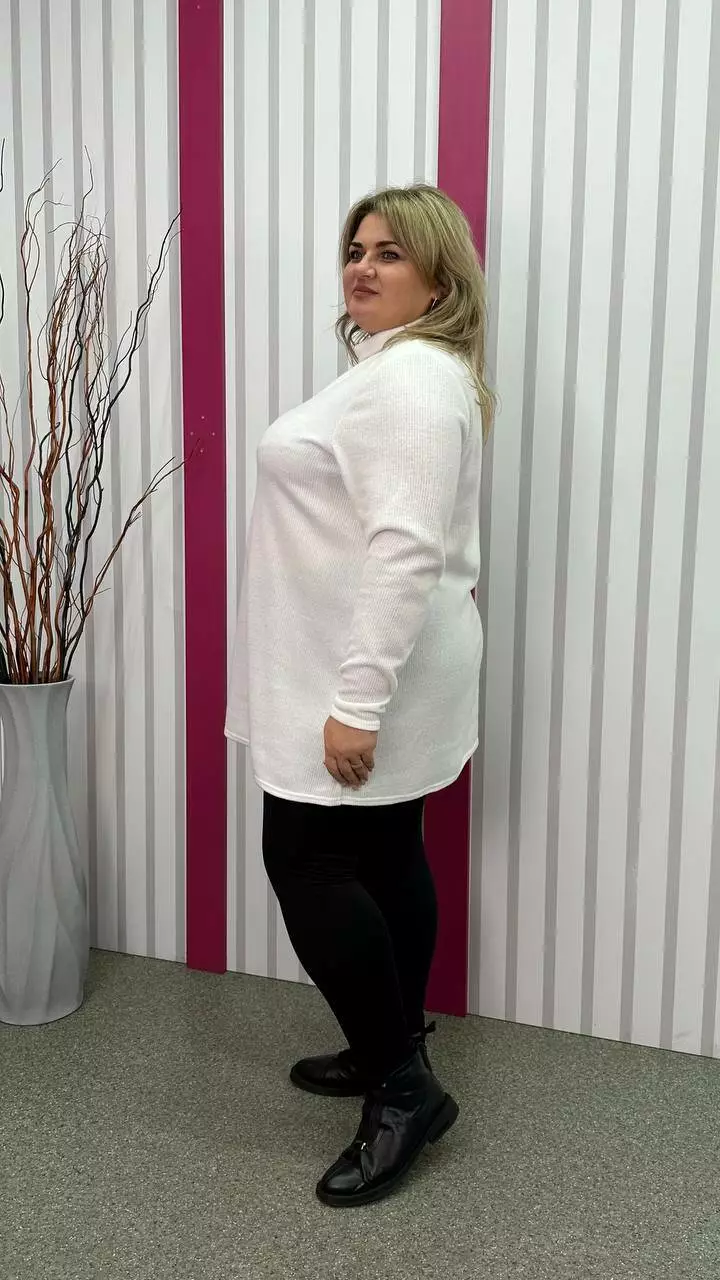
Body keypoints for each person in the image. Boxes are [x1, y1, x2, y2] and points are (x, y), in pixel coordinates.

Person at [225, 184, 495, 1208]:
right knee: (383, 853)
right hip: (365, 665)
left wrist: (358, 702)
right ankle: (393, 1039)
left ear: (440, 280)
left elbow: (405, 550)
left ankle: (402, 1089)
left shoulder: (412, 379)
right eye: (356, 248)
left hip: (362, 674)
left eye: (390, 252)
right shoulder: (396, 371)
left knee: (305, 858)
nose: (363, 266)